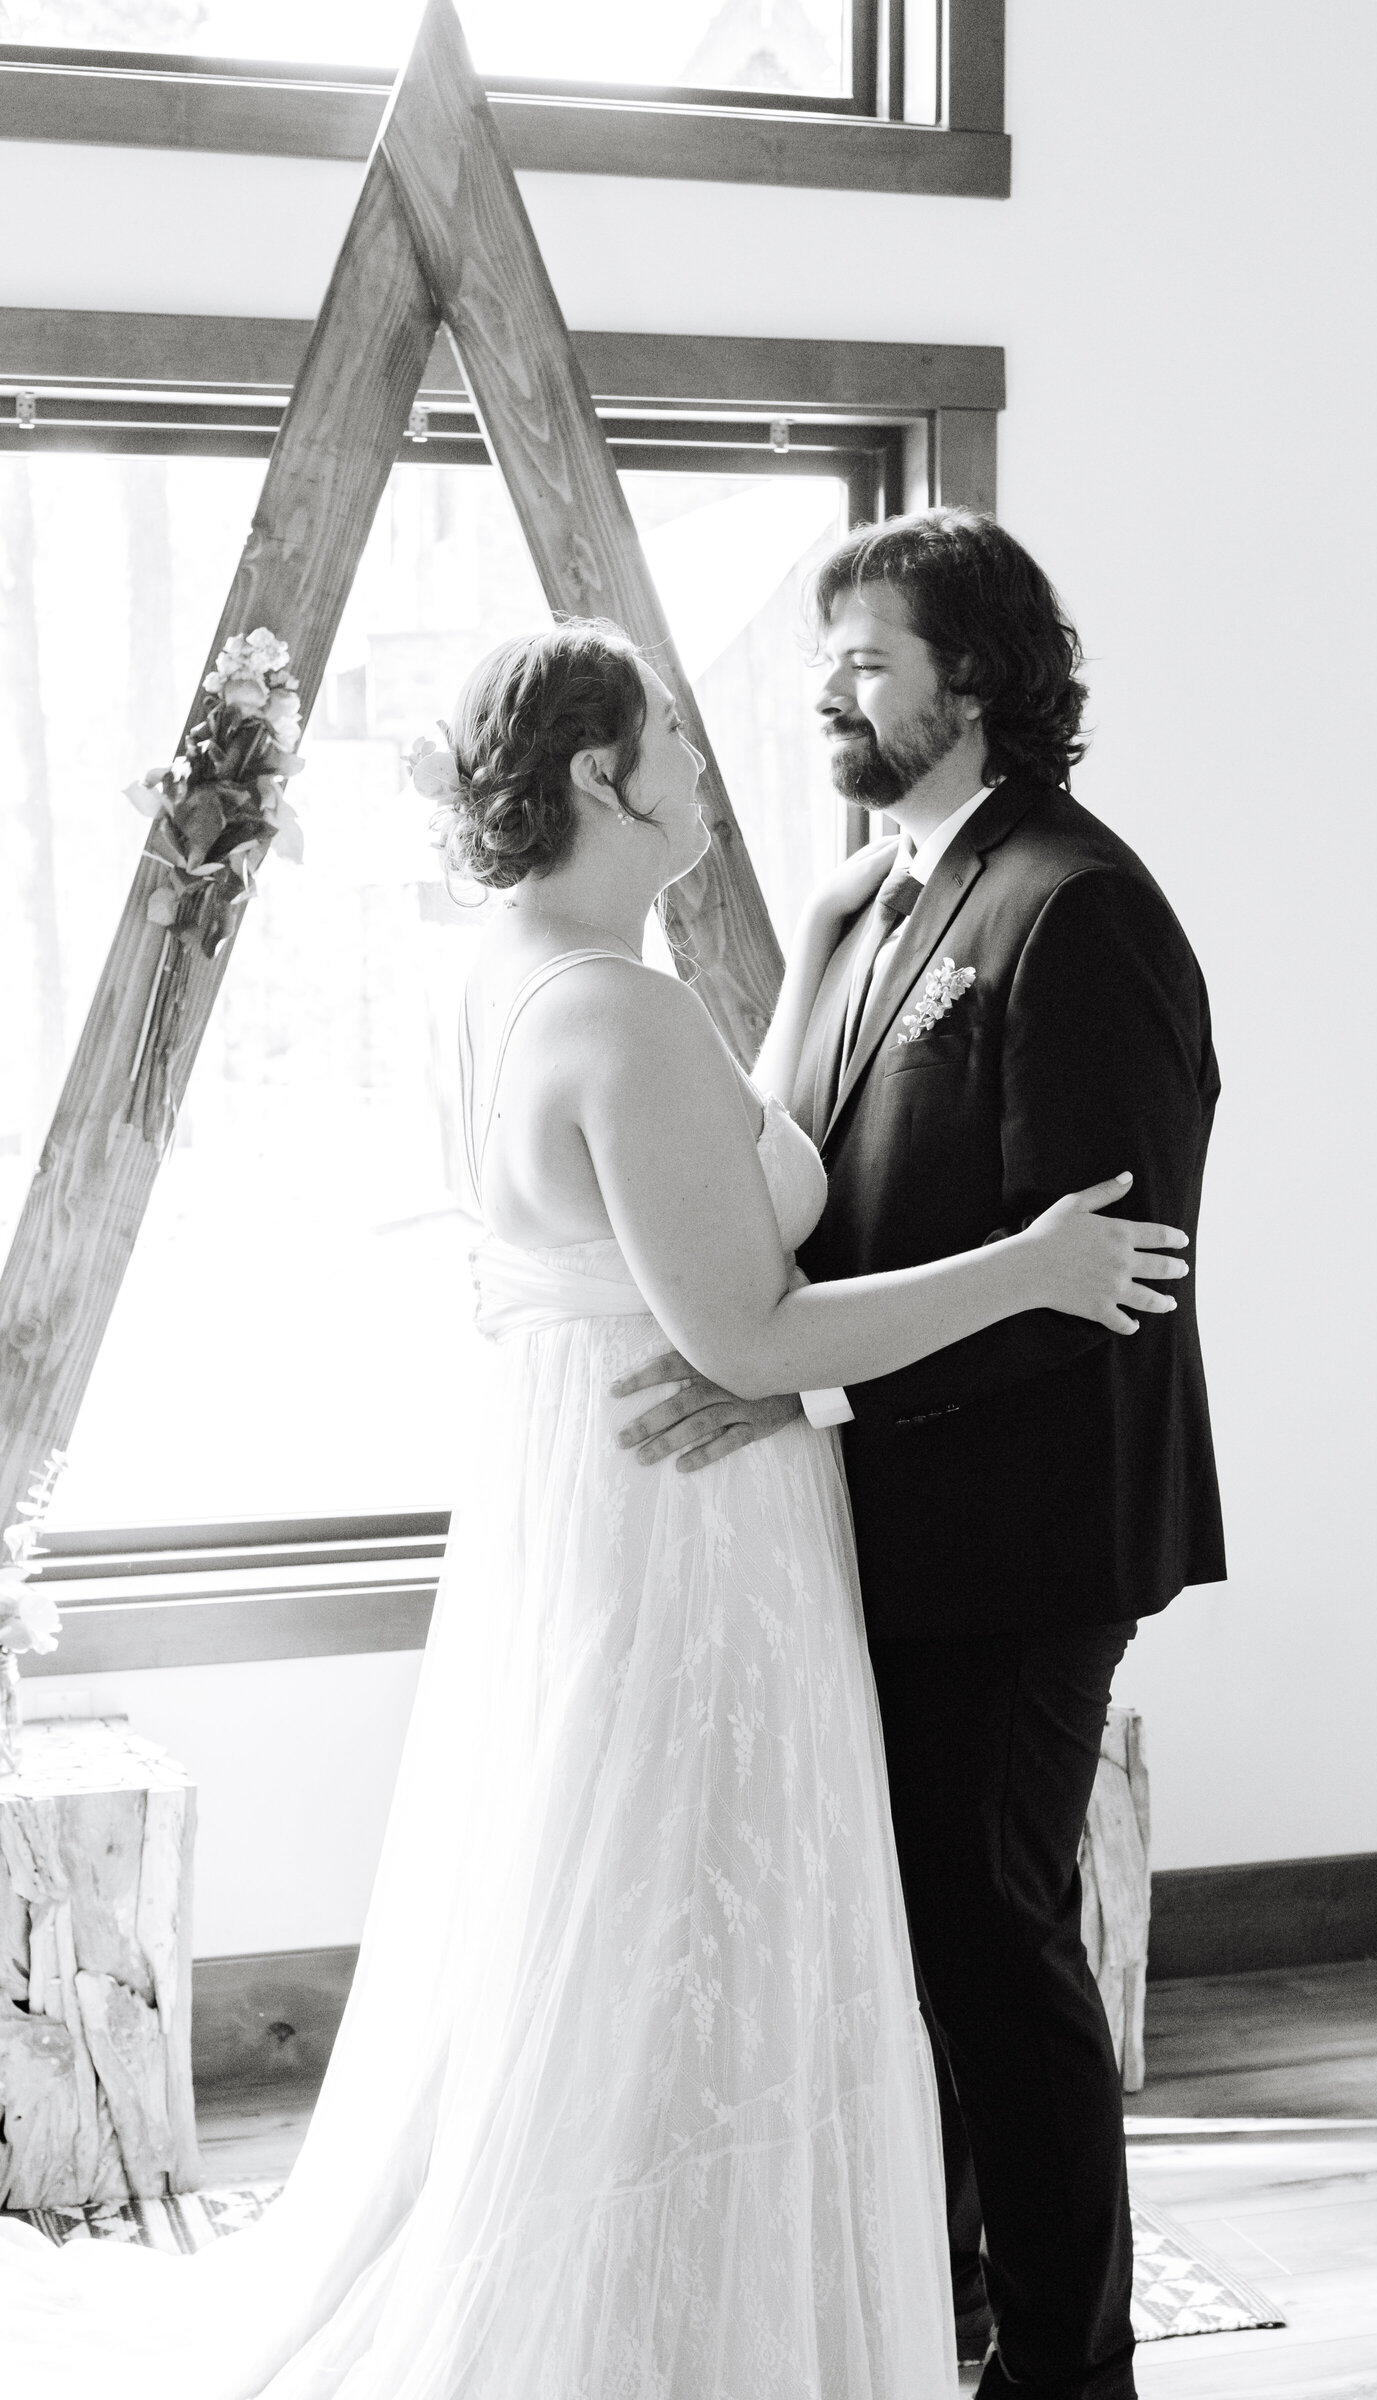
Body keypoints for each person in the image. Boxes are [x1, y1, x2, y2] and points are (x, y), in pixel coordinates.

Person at [0, 619, 1192, 2400]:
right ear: (596, 778)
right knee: (700, 1914)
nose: (708, 768)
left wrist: (818, 951)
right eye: (676, 745)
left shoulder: (516, 972)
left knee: (614, 1906)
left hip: (588, 1496)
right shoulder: (617, 1010)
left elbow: (730, 1163)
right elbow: (749, 1325)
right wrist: (1029, 1268)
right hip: (692, 1535)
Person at [616, 511, 1226, 2400]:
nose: (828, 694)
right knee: (921, 1963)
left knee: (997, 1959)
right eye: (827, 663)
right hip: (890, 1530)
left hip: (1034, 1539)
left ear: (975, 679)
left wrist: (805, 1387)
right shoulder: (881, 896)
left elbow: (1094, 1285)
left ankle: (1066, 2371)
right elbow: (803, 1197)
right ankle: (935, 2319)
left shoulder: (1077, 905)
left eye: (866, 662)